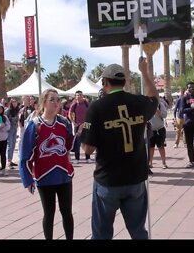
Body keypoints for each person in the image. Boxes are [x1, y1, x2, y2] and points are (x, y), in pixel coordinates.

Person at [80, 57, 158, 239]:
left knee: (101, 233)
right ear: (124, 82)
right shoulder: (139, 103)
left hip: (108, 180)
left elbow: (88, 150)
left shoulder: (96, 108)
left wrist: (83, 135)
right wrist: (144, 72)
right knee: (138, 231)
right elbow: (154, 97)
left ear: (105, 82)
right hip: (136, 179)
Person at [19, 89, 75, 240]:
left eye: (58, 100)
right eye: (52, 100)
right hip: (44, 176)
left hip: (64, 174)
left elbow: (68, 145)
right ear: (43, 102)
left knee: (67, 212)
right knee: (49, 213)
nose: (56, 103)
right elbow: (25, 154)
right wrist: (27, 178)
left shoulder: (64, 122)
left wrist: (80, 135)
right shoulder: (35, 125)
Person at [68, 90, 90, 164]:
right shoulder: (74, 105)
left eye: (80, 95)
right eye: (77, 95)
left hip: (86, 125)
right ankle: (77, 159)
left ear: (82, 96)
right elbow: (69, 114)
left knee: (87, 142)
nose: (79, 96)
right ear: (75, 96)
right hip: (78, 125)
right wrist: (73, 122)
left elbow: (91, 112)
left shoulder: (86, 104)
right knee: (77, 142)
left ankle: (88, 158)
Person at [148, 100, 168, 169]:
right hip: (150, 130)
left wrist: (158, 111)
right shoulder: (146, 105)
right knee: (151, 147)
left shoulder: (160, 104)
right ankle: (150, 163)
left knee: (161, 147)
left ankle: (164, 163)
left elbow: (165, 115)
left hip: (160, 129)